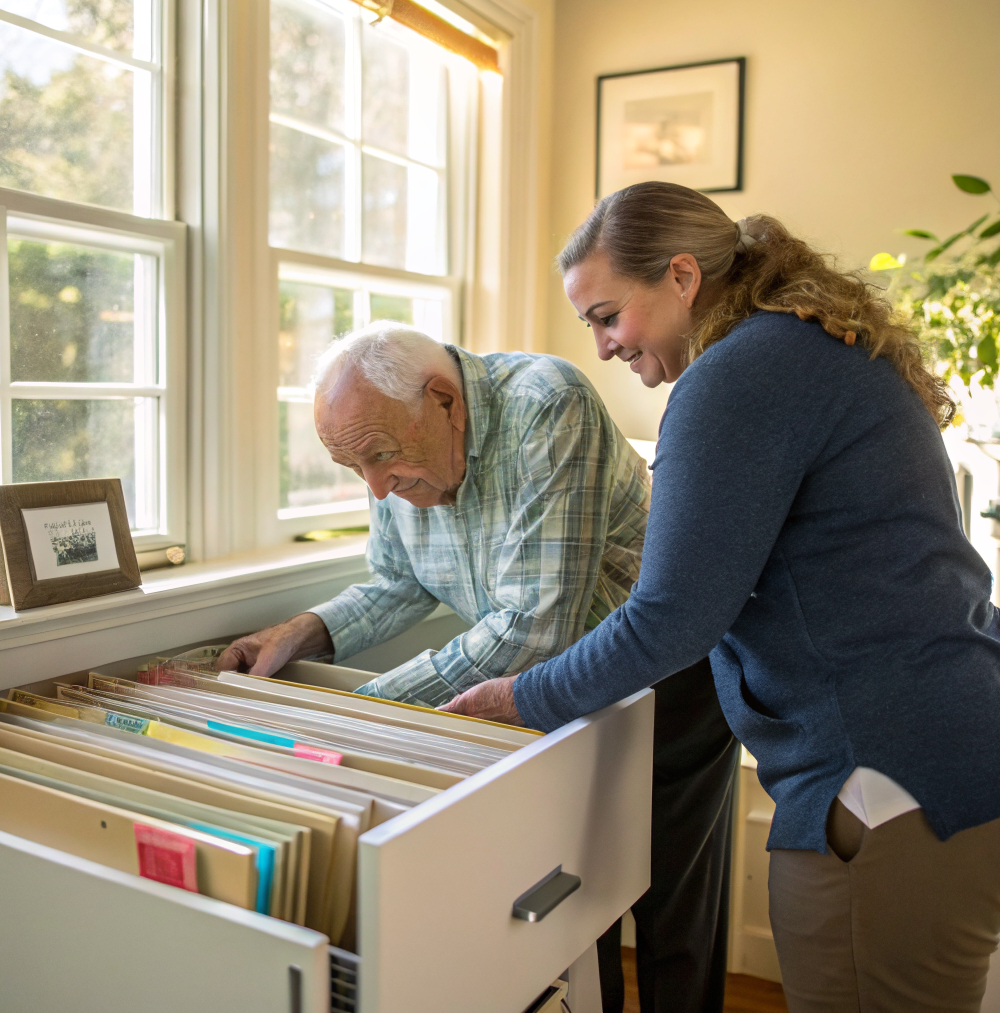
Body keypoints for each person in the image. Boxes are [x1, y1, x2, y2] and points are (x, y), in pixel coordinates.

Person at [442, 181, 1000, 1013]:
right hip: (986, 750)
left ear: (679, 278)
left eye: (606, 316)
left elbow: (672, 618)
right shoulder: (806, 348)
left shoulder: (733, 378)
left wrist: (520, 696)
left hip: (899, 783)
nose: (601, 347)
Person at [216, 323, 738, 1013]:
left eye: (379, 456)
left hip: (663, 678)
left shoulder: (548, 403)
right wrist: (301, 633)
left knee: (672, 902)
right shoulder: (402, 466)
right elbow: (396, 582)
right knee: (581, 904)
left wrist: (356, 710)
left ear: (443, 401)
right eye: (354, 469)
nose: (375, 488)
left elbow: (533, 626)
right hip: (540, 695)